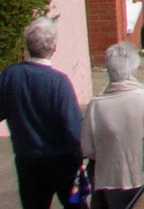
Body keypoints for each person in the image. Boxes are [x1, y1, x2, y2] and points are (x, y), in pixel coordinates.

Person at [81, 42, 144, 209]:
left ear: (108, 70)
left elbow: (87, 149)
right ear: (134, 69)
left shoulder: (95, 105)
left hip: (109, 184)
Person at [0, 17, 83, 209]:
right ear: (54, 48)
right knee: (76, 206)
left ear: (27, 46)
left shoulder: (10, 75)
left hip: (28, 160)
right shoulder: (59, 82)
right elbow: (73, 128)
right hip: (62, 161)